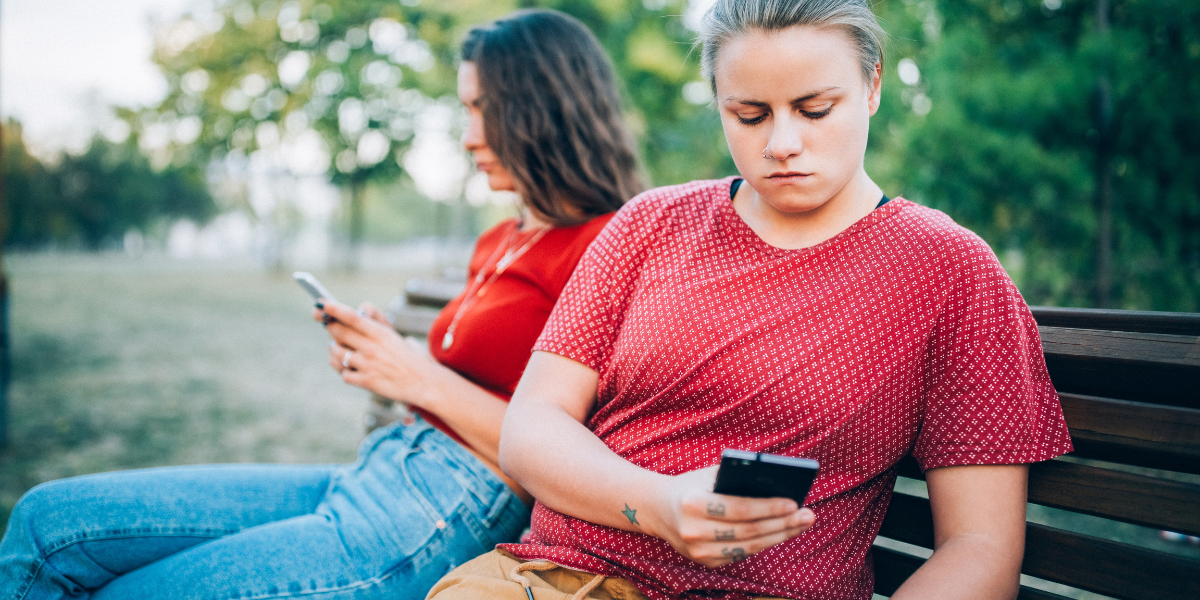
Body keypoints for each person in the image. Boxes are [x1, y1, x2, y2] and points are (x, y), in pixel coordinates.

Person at [425, 1, 1074, 599]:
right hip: (553, 580)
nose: (781, 144)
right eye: (750, 114)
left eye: (815, 109)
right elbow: (531, 427)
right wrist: (659, 505)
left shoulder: (949, 271)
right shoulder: (650, 224)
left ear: (873, 86)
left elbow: (981, 545)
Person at [0, 10, 643, 600]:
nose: (469, 134)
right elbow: (472, 377)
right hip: (386, 466)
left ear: (545, 110)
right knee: (45, 522)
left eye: (484, 109)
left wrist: (415, 376)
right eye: (464, 109)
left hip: (445, 508)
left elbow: (575, 457)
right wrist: (384, 355)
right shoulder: (504, 239)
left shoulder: (610, 246)